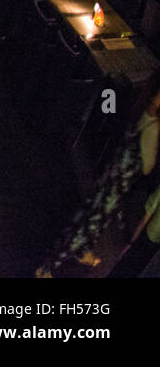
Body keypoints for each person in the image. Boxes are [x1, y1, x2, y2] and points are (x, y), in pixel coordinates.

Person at [37, 84, 160, 276]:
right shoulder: (154, 127)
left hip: (110, 174)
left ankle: (82, 252)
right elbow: (147, 167)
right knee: (89, 224)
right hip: (118, 185)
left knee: (90, 217)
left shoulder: (140, 107)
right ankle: (46, 267)